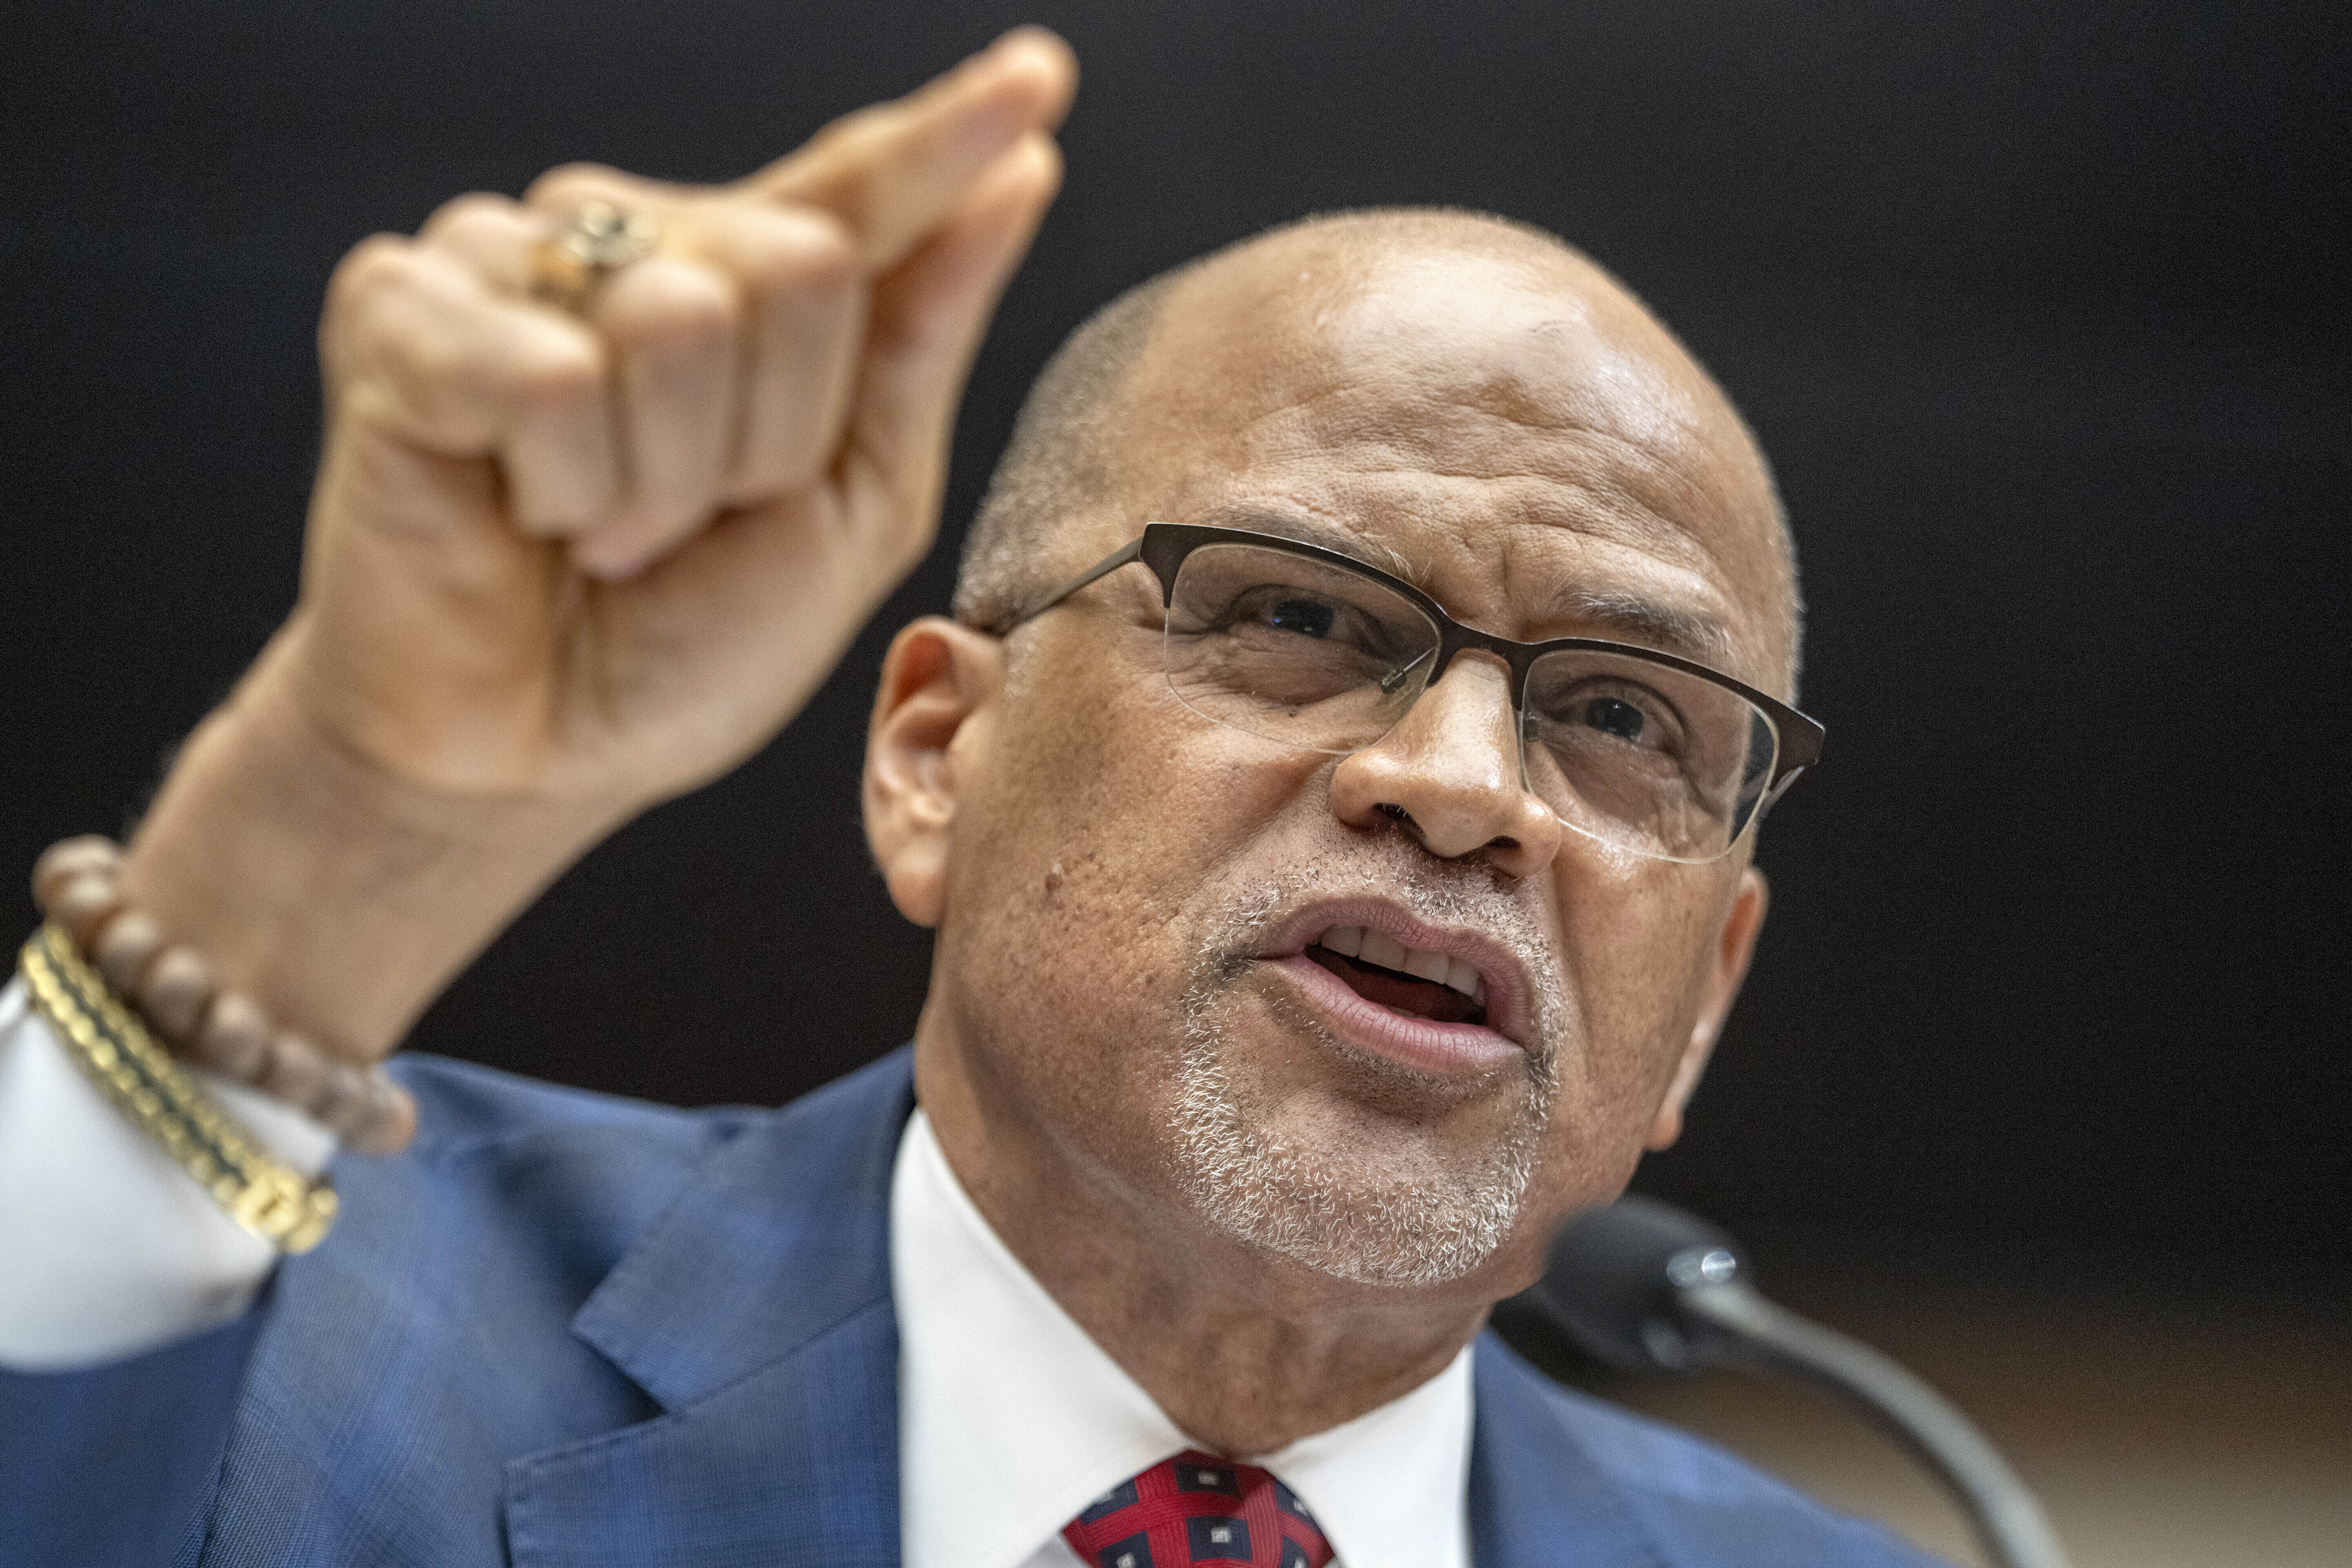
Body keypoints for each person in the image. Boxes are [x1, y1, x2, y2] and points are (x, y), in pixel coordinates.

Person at [0, 27, 1938, 1568]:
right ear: (939, 755)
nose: (1459, 789)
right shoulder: (307, 1332)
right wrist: (346, 804)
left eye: (1622, 714)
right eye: (1296, 611)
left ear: (1703, 1000)